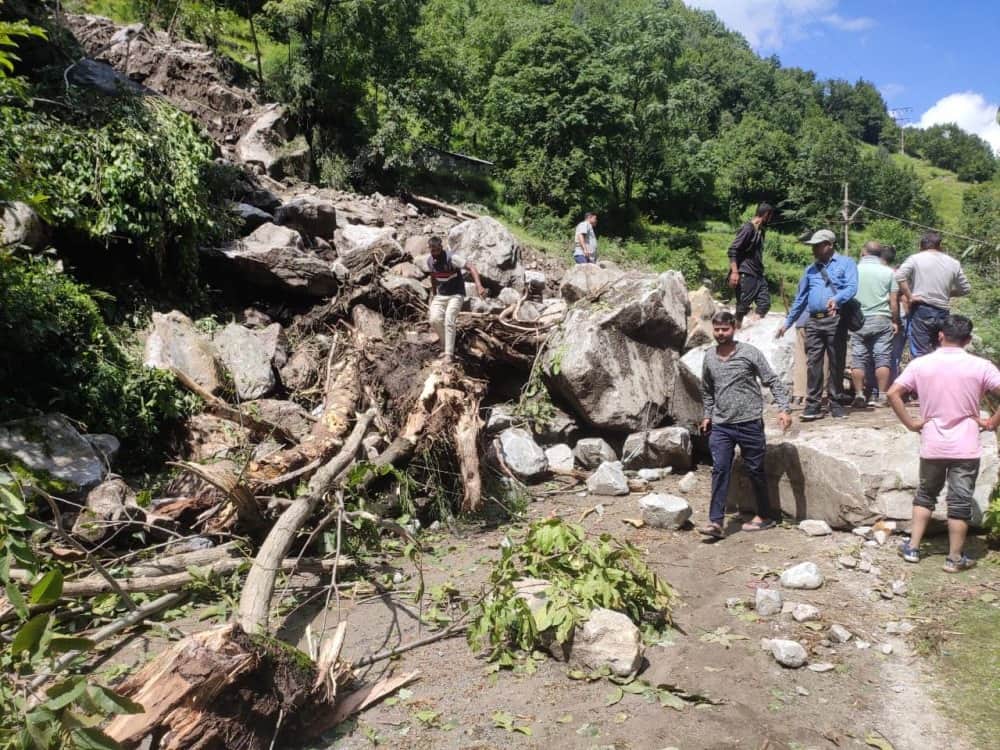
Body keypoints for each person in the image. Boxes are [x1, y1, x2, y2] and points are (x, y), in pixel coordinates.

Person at [887, 315, 1000, 572]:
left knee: (925, 496)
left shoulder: (921, 364)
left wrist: (910, 423)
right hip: (967, 445)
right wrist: (992, 421)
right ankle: (954, 558)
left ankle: (913, 548)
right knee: (960, 502)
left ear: (940, 335)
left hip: (933, 443)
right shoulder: (981, 366)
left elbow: (893, 392)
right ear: (968, 340)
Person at [697, 311, 792, 540]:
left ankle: (764, 515)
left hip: (749, 422)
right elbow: (707, 390)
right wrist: (707, 415)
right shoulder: (709, 356)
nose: (720, 334)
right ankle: (716, 522)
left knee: (755, 470)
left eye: (725, 329)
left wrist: (783, 408)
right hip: (721, 425)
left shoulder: (749, 353)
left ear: (734, 328)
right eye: (717, 330)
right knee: (720, 469)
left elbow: (771, 379)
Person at [776, 229, 858, 421]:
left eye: (817, 246)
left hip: (835, 319)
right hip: (814, 320)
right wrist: (787, 323)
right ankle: (812, 405)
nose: (813, 249)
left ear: (829, 245)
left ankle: (836, 403)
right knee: (813, 363)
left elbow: (852, 287)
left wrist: (837, 299)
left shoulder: (846, 264)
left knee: (836, 362)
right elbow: (801, 298)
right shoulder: (810, 270)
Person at [895, 231, 971, 358]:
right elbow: (965, 288)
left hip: (921, 310)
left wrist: (910, 296)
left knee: (920, 353)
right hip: (943, 312)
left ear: (921, 245)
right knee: (939, 351)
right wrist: (947, 292)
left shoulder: (916, 258)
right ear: (940, 246)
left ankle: (921, 377)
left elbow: (899, 276)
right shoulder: (953, 262)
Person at [849, 241, 900, 407]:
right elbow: (893, 302)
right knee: (882, 357)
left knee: (858, 358)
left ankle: (859, 395)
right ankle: (883, 396)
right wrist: (895, 320)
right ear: (880, 254)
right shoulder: (889, 272)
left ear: (864, 252)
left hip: (857, 320)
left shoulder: (853, 270)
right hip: (881, 318)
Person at [426, 236, 485, 361]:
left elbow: (471, 268)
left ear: (441, 247)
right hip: (441, 294)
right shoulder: (430, 261)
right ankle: (446, 345)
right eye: (432, 251)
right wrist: (434, 293)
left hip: (456, 293)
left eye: (436, 250)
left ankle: (449, 354)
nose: (434, 253)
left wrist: (479, 286)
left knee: (449, 318)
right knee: (434, 319)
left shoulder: (452, 258)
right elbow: (433, 276)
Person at [728, 202, 774, 328]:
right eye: (770, 216)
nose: (770, 219)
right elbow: (733, 249)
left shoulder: (760, 230)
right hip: (746, 273)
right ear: (766, 214)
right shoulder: (748, 228)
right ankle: (736, 332)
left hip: (758, 274)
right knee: (742, 307)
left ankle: (749, 331)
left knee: (764, 304)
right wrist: (734, 272)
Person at [880, 244, 908, 384]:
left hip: (877, 315)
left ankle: (874, 390)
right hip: (896, 316)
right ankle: (892, 387)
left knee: (876, 354)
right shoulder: (896, 274)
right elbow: (900, 298)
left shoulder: (869, 272)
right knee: (894, 355)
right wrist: (896, 320)